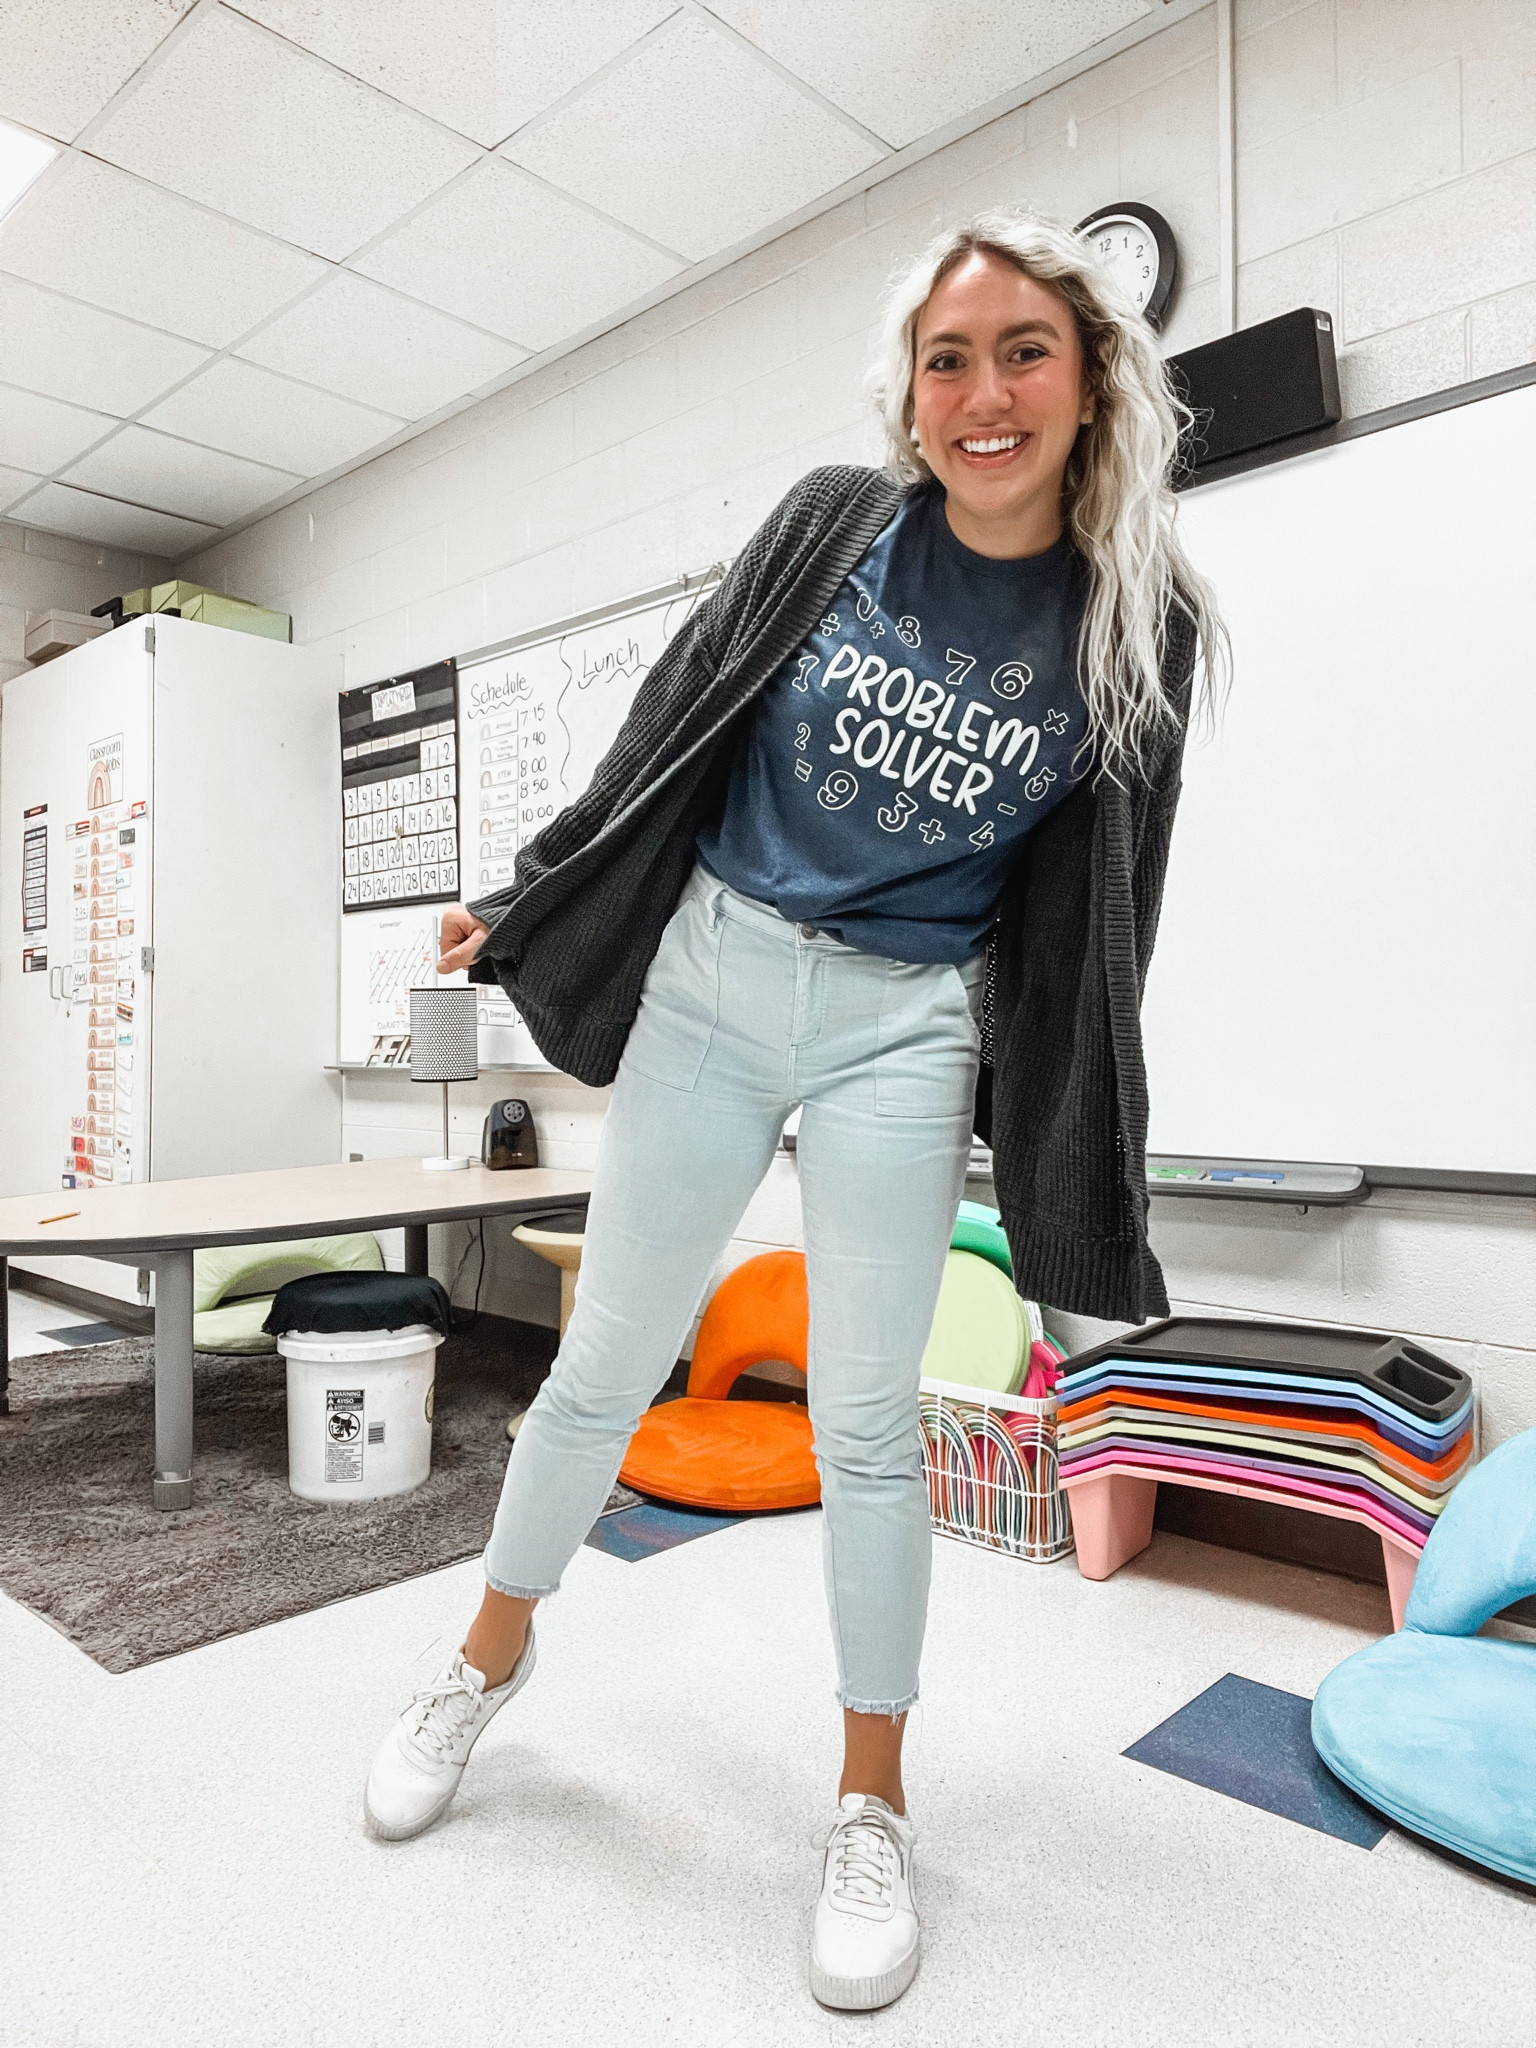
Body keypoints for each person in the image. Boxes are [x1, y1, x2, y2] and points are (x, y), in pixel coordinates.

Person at [362, 210, 1225, 2013]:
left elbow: (1104, 894)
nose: (982, 393)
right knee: (605, 1362)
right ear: (909, 393)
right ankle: (482, 1660)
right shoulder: (837, 524)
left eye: (1023, 355)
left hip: (904, 1026)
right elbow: (675, 718)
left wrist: (1073, 1117)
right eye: (947, 358)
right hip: (709, 978)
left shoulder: (1146, 618)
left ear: (1091, 383)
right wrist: (541, 885)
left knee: (868, 1427)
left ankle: (869, 1800)